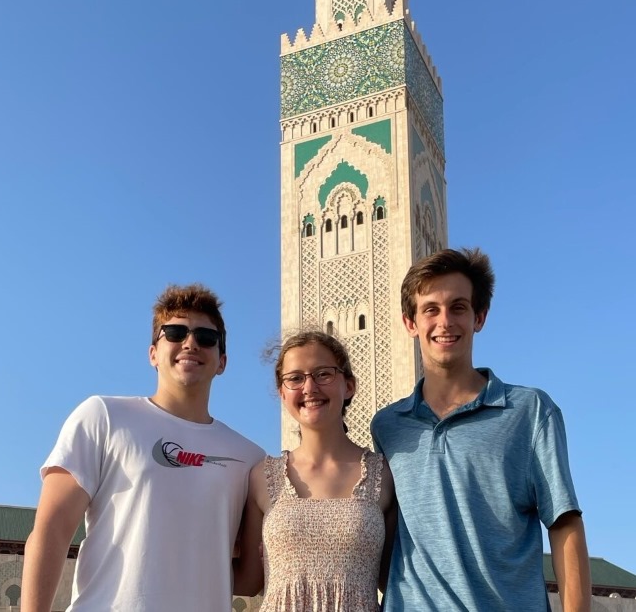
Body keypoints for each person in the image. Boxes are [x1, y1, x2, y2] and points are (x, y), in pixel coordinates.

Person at [371, 248, 591, 611]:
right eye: (431, 309)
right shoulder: (387, 426)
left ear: (480, 317)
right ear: (410, 323)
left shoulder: (531, 411)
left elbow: (565, 524)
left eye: (458, 307)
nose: (445, 322)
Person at [21, 284, 264, 612]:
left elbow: (249, 578)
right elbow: (51, 531)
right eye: (175, 332)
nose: (190, 343)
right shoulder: (103, 417)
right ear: (152, 353)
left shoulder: (250, 458)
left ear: (222, 361)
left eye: (206, 337)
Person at [234, 330, 397, 611]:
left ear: (349, 385)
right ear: (282, 393)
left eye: (323, 374)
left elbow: (393, 580)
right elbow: (249, 580)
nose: (309, 388)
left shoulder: (385, 474)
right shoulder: (262, 476)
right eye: (295, 378)